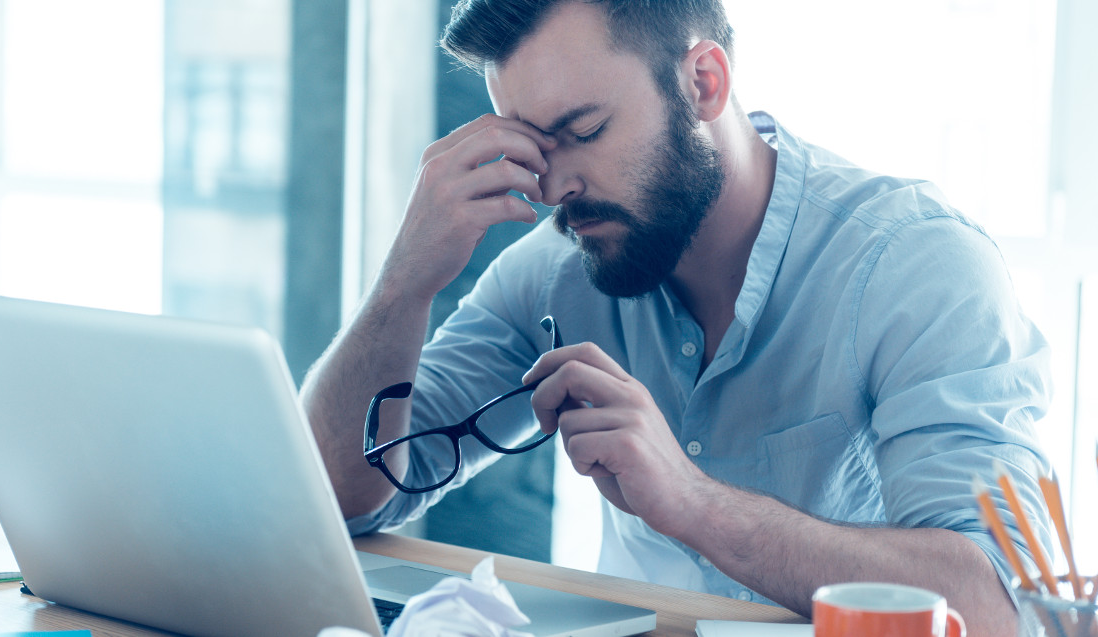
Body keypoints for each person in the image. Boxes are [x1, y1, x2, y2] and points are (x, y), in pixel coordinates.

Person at [299, 0, 1054, 633]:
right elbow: (337, 499)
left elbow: (1001, 605)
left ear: (703, 83)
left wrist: (694, 503)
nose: (555, 188)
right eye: (532, 149)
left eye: (584, 132)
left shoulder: (916, 267)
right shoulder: (556, 269)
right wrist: (404, 282)